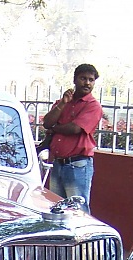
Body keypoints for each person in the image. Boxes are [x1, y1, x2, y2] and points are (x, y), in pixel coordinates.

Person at [42, 64, 103, 208]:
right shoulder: (64, 102)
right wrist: (62, 104)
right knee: (57, 208)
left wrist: (55, 128)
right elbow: (47, 122)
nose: (87, 83)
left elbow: (75, 128)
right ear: (75, 80)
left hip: (78, 165)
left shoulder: (93, 106)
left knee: (77, 211)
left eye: (91, 80)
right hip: (58, 164)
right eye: (83, 78)